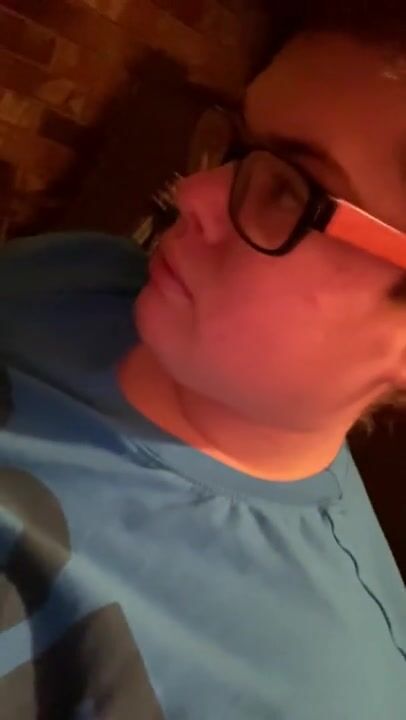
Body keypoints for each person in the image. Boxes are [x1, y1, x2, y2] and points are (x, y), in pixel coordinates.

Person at [0, 6, 405, 719]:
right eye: (237, 145)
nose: (191, 194)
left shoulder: (315, 692)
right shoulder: (84, 272)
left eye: (288, 191)